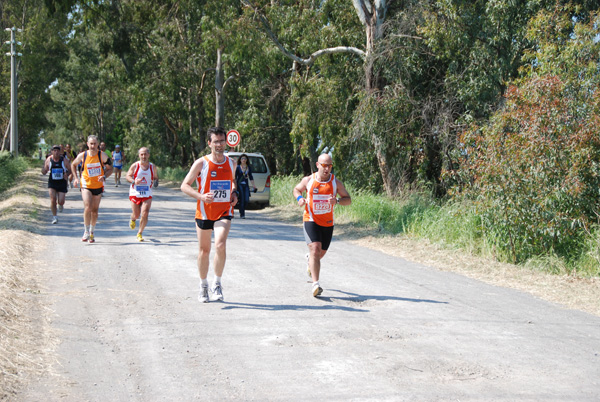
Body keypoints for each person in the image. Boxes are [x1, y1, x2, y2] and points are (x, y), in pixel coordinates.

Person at [181, 126, 238, 303]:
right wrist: (201, 197)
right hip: (204, 212)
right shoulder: (201, 163)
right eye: (216, 142)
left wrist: (234, 193)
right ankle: (203, 285)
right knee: (204, 251)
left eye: (222, 141)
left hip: (224, 211)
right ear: (209, 144)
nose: (219, 145)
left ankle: (217, 283)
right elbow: (184, 185)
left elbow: (233, 182)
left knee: (220, 245)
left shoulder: (231, 163)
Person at [292, 153, 351, 297]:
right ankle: (315, 284)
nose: (327, 169)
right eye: (324, 165)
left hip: (328, 223)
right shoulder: (309, 180)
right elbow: (296, 189)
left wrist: (336, 201)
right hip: (310, 219)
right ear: (318, 165)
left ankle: (310, 260)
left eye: (330, 166)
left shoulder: (335, 182)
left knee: (320, 253)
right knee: (315, 249)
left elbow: (348, 199)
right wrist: (300, 198)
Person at [71, 135, 113, 243]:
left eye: (95, 143)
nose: (93, 146)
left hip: (98, 186)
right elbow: (73, 165)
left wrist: (104, 176)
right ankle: (85, 231)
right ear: (87, 144)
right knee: (88, 207)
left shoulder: (102, 156)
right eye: (91, 144)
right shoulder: (83, 155)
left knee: (94, 211)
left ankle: (92, 232)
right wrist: (76, 178)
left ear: (98, 144)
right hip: (85, 184)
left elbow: (110, 169)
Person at [126, 147, 158, 242]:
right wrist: (134, 181)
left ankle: (139, 233)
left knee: (145, 213)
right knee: (136, 214)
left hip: (147, 192)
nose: (143, 156)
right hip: (135, 192)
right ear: (139, 155)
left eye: (145, 154)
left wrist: (156, 181)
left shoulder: (152, 167)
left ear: (148, 155)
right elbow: (128, 176)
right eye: (142, 154)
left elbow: (155, 177)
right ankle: (133, 218)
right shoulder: (135, 166)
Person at [41, 145, 72, 224]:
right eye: (54, 150)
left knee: (61, 201)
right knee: (52, 199)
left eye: (58, 150)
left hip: (62, 182)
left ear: (60, 151)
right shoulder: (49, 160)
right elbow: (45, 170)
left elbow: (70, 169)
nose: (56, 152)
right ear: (52, 152)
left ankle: (60, 205)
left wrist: (67, 174)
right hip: (52, 182)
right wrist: (43, 169)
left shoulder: (63, 160)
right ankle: (55, 217)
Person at [234, 153, 256, 219]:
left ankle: (241, 209)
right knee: (242, 200)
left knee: (246, 199)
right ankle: (242, 214)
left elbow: (251, 177)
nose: (243, 160)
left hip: (246, 185)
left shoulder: (248, 167)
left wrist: (254, 186)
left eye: (245, 158)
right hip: (239, 185)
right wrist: (234, 186)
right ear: (240, 160)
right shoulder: (238, 167)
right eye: (242, 158)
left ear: (246, 160)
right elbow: (234, 177)